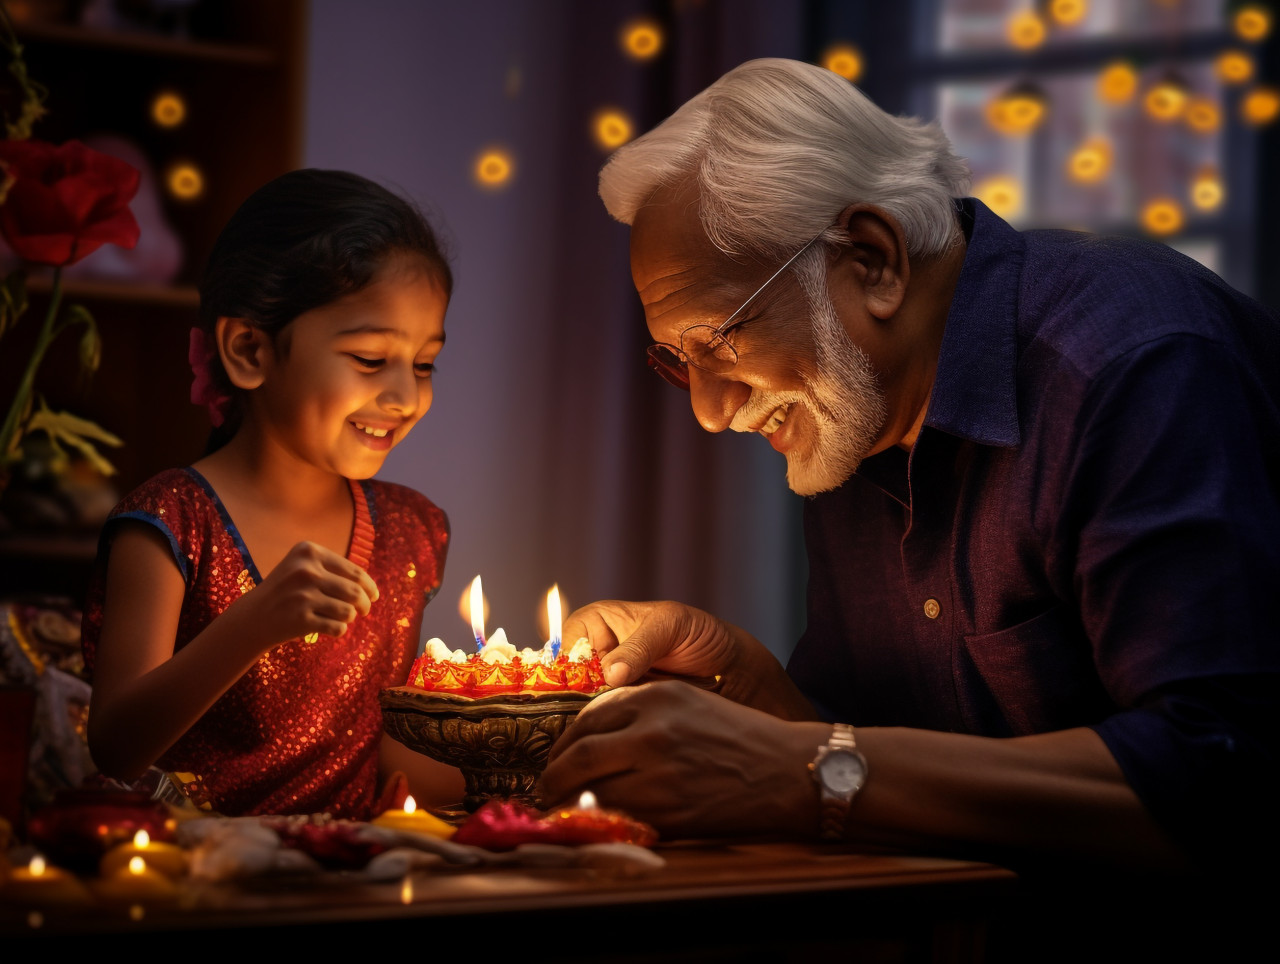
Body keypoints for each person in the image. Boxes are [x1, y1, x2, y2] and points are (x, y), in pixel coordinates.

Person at [538, 57, 1279, 938]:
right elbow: (883, 759)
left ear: (873, 260)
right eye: (679, 362)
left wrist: (798, 766)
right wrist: (746, 678)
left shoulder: (1132, 363)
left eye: (720, 342)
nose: (709, 412)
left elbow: (1228, 780)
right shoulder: (856, 410)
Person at [81, 169, 464, 819]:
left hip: (344, 878)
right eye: (371, 360)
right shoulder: (173, 521)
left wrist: (532, 737)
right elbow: (117, 747)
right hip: (196, 884)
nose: (406, 398)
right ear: (248, 349)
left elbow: (395, 757)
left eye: (424, 364)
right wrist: (256, 623)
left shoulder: (412, 528)